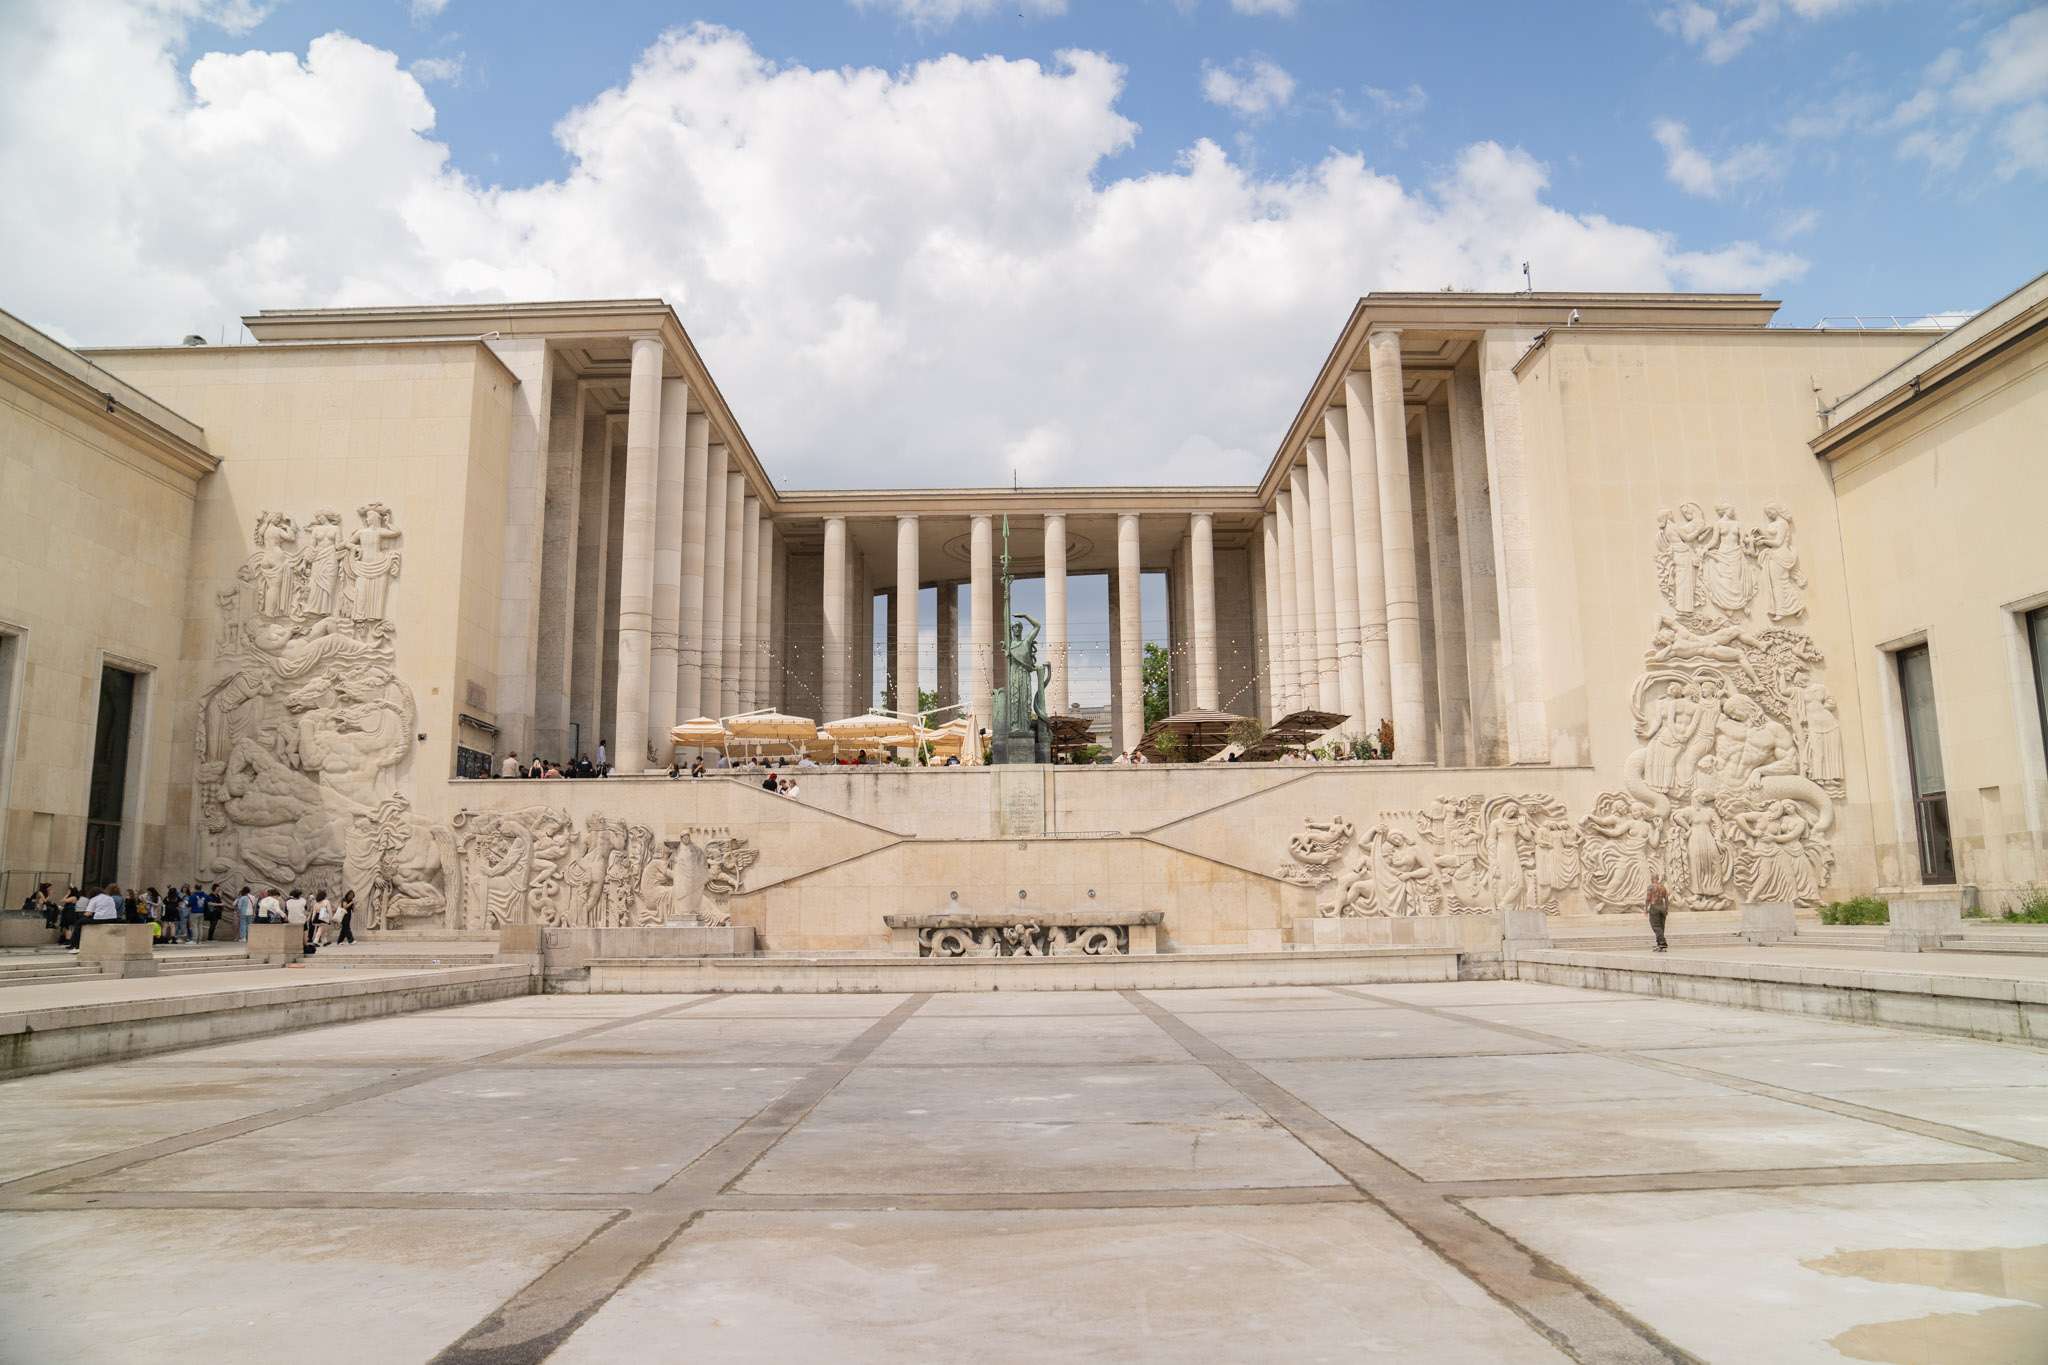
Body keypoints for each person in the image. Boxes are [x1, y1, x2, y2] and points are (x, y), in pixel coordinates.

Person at [1645, 875, 1671, 952]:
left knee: (1655, 926)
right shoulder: (1663, 887)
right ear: (1658, 879)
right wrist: (1666, 909)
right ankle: (1659, 944)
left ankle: (1662, 943)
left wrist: (1646, 909)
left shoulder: (1650, 887)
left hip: (1654, 907)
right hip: (1662, 908)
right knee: (1661, 926)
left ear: (1652, 879)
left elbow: (1648, 899)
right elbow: (1666, 899)